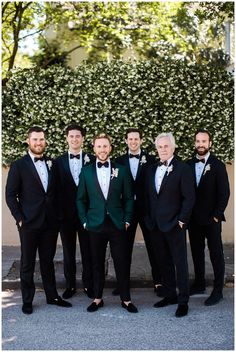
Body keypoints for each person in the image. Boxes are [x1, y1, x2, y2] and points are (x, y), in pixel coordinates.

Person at [5, 126, 72, 314]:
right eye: (35, 139)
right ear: (28, 141)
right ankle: (27, 300)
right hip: (28, 223)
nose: (38, 143)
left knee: (47, 261)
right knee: (27, 262)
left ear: (45, 141)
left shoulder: (52, 163)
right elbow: (10, 195)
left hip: (50, 223)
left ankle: (52, 296)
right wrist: (19, 218)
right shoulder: (19, 165)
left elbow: (58, 192)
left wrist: (58, 216)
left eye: (41, 139)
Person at [76, 133, 138, 313]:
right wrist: (85, 221)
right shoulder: (86, 171)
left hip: (117, 224)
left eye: (105, 146)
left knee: (122, 261)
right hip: (95, 224)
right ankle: (97, 298)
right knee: (96, 262)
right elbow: (80, 199)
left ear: (110, 148)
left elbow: (128, 198)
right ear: (94, 148)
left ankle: (126, 299)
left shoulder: (122, 170)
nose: (102, 149)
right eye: (99, 146)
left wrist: (127, 219)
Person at [145, 132, 195, 317]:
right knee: (163, 262)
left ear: (173, 148)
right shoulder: (151, 169)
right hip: (156, 226)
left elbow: (189, 198)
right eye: (160, 146)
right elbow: (148, 197)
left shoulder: (183, 169)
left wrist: (181, 221)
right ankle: (169, 295)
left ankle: (183, 301)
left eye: (166, 146)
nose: (163, 149)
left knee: (180, 263)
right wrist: (149, 220)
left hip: (175, 225)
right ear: (156, 148)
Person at [114, 128, 162, 296]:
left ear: (141, 140)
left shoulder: (151, 160)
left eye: (136, 139)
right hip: (126, 211)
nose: (133, 142)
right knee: (123, 249)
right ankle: (122, 285)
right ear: (126, 141)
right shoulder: (118, 162)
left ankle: (159, 282)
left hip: (147, 211)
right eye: (130, 139)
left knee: (153, 246)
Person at [187, 129, 230, 306]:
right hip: (194, 219)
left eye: (204, 141)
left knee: (216, 254)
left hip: (212, 220)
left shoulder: (218, 165)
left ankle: (218, 290)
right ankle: (199, 284)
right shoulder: (188, 164)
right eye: (198, 141)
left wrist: (216, 216)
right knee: (196, 253)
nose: (201, 144)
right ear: (195, 143)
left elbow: (224, 193)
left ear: (210, 143)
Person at [54, 124, 95, 299]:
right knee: (68, 252)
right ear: (67, 138)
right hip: (66, 216)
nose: (75, 139)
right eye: (71, 136)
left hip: (87, 214)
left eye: (78, 136)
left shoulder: (92, 159)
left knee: (88, 251)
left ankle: (88, 285)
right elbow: (54, 189)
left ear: (83, 139)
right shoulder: (58, 162)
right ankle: (70, 286)